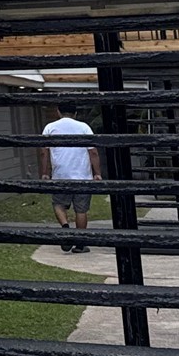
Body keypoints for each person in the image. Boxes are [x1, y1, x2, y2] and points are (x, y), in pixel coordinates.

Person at [41, 102, 101, 253]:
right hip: (82, 176)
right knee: (81, 210)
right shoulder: (84, 127)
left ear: (58, 111)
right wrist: (97, 173)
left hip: (60, 175)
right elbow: (93, 152)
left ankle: (65, 227)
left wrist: (45, 172)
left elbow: (44, 152)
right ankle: (80, 244)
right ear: (75, 113)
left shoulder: (50, 127)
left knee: (58, 204)